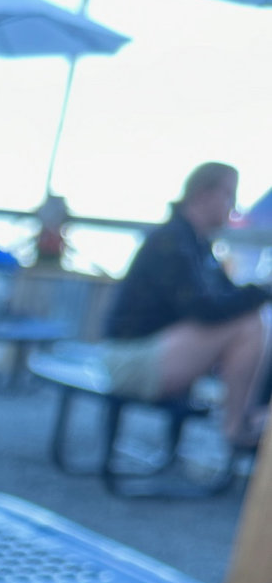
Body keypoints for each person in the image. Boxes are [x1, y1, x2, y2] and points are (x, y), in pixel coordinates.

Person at [102, 162, 272, 448]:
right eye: (229, 195)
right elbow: (206, 309)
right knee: (250, 324)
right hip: (129, 362)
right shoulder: (171, 240)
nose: (234, 206)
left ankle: (245, 421)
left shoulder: (196, 244)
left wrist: (261, 291)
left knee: (253, 320)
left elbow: (227, 297)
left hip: (150, 356)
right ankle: (237, 428)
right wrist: (264, 291)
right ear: (204, 194)